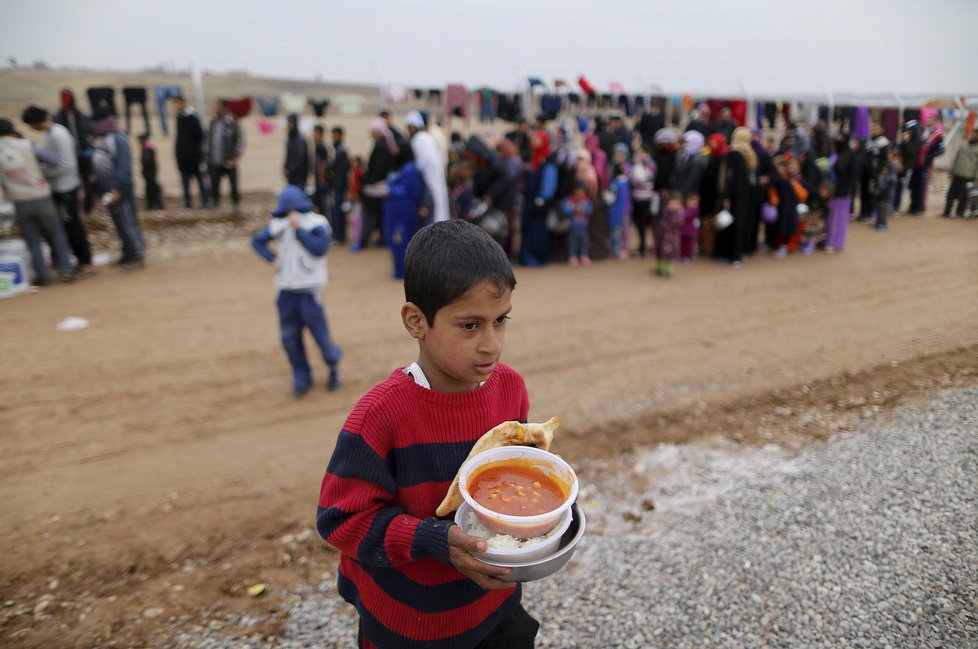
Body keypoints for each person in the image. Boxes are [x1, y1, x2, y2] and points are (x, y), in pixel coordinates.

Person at [316, 219, 540, 649]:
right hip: (410, 624)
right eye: (470, 325)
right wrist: (431, 539)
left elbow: (520, 470)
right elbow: (340, 519)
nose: (492, 344)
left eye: (501, 321)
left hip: (494, 606)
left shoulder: (510, 389)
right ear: (416, 321)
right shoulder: (381, 416)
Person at [251, 185, 342, 397]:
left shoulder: (317, 222)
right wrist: (271, 257)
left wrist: (299, 229)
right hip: (286, 290)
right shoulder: (279, 225)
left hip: (310, 291)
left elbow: (319, 248)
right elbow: (257, 241)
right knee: (290, 338)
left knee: (320, 335)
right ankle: (302, 377)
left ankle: (334, 367)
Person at [0, 118, 75, 284]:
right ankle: (66, 270)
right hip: (41, 195)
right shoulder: (27, 145)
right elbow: (53, 160)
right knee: (57, 234)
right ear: (13, 130)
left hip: (19, 201)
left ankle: (43, 276)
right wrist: (39, 173)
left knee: (32, 240)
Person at [22, 105, 94, 277]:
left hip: (66, 187)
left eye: (31, 125)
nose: (32, 129)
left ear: (36, 122)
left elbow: (65, 166)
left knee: (72, 225)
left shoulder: (58, 135)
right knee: (64, 226)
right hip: (59, 186)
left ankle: (85, 261)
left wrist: (42, 173)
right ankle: (69, 259)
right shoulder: (51, 134)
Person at [90, 108, 146, 269]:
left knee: (128, 223)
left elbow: (123, 168)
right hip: (108, 192)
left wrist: (118, 189)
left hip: (120, 192)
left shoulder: (118, 140)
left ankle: (137, 255)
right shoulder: (103, 139)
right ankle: (127, 253)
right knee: (120, 224)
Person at [714, 127, 757, 266]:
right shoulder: (749, 155)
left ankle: (726, 254)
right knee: (739, 225)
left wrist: (726, 195)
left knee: (728, 225)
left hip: (733, 196)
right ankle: (736, 256)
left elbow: (730, 177)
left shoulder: (733, 154)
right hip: (744, 196)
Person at [383, 153, 430, 280]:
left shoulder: (411, 170)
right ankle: (399, 270)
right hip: (395, 211)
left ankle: (404, 271)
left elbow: (414, 192)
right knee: (396, 240)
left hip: (403, 211)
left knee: (402, 240)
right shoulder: (400, 170)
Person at [52, 88, 97, 214]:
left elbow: (91, 132)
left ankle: (88, 207)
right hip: (68, 157)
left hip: (84, 155)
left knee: (87, 181)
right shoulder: (57, 118)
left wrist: (89, 146)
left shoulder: (82, 116)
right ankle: (73, 209)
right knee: (72, 183)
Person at [518, 130, 557, 267]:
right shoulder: (534, 159)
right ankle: (526, 256)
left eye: (537, 140)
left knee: (538, 229)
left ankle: (536, 256)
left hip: (539, 202)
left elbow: (549, 180)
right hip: (529, 200)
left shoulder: (547, 161)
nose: (534, 143)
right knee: (528, 227)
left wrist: (543, 197)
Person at [404, 110, 449, 223]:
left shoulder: (418, 139)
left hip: (428, 178)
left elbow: (420, 165)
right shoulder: (426, 137)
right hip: (436, 175)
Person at [359, 118, 397, 249]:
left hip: (376, 186)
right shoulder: (384, 144)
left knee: (371, 214)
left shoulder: (380, 146)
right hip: (379, 184)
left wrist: (369, 181)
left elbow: (378, 168)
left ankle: (364, 241)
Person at [172, 95, 209, 210]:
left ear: (182, 103)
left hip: (194, 157)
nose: (176, 106)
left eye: (177, 103)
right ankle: (187, 203)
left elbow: (200, 136)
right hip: (183, 157)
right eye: (174, 104)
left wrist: (200, 153)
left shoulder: (192, 117)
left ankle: (205, 202)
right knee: (185, 182)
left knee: (200, 180)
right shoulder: (179, 118)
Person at [208, 99, 245, 212]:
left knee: (233, 184)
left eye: (218, 106)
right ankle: (215, 203)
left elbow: (240, 140)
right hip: (215, 159)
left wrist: (236, 155)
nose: (216, 108)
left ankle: (235, 204)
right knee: (214, 182)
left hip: (229, 159)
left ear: (224, 108)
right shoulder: (214, 122)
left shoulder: (232, 122)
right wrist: (206, 153)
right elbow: (208, 138)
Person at [825, 132, 855, 252]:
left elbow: (850, 174)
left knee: (840, 218)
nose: (837, 139)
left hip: (843, 191)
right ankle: (829, 241)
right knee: (831, 217)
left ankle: (836, 243)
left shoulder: (849, 154)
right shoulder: (835, 153)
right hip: (832, 189)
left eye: (840, 137)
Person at [942, 131, 978, 218]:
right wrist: (951, 170)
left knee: (963, 197)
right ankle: (946, 212)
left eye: (976, 134)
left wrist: (976, 178)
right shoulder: (963, 144)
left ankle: (959, 213)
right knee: (950, 194)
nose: (974, 135)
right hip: (957, 173)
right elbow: (956, 157)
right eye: (974, 133)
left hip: (968, 176)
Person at [327, 126, 351, 242]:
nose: (333, 137)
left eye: (335, 135)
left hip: (339, 187)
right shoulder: (338, 149)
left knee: (338, 212)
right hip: (338, 186)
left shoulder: (341, 150)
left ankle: (339, 236)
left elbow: (336, 166)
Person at [561, 183, 593, 266]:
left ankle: (584, 255)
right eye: (577, 193)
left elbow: (590, 210)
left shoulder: (586, 202)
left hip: (584, 227)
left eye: (581, 193)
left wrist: (582, 209)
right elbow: (564, 211)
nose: (579, 195)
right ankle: (573, 256)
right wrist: (573, 209)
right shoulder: (569, 201)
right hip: (572, 227)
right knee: (572, 243)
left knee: (585, 242)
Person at [654, 195, 684, 278]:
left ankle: (668, 270)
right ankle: (659, 268)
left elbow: (679, 222)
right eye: (671, 203)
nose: (672, 205)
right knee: (660, 252)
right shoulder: (665, 212)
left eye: (675, 203)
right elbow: (660, 222)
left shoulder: (679, 214)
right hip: (662, 237)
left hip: (672, 238)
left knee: (670, 254)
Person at [607, 163, 630, 259]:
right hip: (622, 211)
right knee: (619, 232)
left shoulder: (615, 184)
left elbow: (610, 199)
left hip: (614, 211)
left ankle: (615, 251)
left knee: (614, 233)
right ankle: (618, 250)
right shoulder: (625, 183)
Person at [137, 132, 164, 211]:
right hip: (150, 172)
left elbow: (147, 161)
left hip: (150, 173)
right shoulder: (148, 148)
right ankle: (154, 205)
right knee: (151, 188)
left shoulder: (147, 148)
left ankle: (155, 205)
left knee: (152, 189)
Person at [283, 113, 309, 189]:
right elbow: (288, 156)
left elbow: (300, 159)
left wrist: (290, 170)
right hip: (291, 177)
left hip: (299, 177)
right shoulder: (290, 139)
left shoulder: (300, 140)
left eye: (290, 123)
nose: (288, 125)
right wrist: (285, 168)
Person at [312, 125, 330, 215]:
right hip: (318, 181)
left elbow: (322, 164)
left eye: (316, 133)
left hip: (321, 181)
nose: (314, 135)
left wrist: (321, 179)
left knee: (323, 207)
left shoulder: (321, 147)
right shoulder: (317, 146)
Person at [680, 194, 700, 263]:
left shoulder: (694, 210)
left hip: (690, 231)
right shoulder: (685, 209)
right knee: (682, 243)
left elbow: (687, 217)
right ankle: (682, 255)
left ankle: (687, 256)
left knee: (688, 245)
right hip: (683, 230)